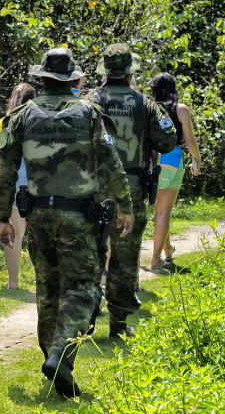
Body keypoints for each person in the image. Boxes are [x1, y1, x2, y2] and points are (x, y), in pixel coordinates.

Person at [0, 48, 134, 399]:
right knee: (84, 287)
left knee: (48, 290)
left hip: (37, 215)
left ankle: (55, 363)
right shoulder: (89, 112)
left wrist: (1, 218)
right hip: (78, 218)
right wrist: (125, 206)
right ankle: (58, 357)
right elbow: (111, 163)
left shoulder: (21, 116)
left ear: (42, 79)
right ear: (72, 80)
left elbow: (5, 172)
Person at [86, 44, 176, 339]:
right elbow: (167, 141)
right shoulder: (144, 103)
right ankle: (118, 324)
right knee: (124, 257)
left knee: (89, 255)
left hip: (92, 188)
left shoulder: (88, 101)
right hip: (133, 187)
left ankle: (84, 320)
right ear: (130, 71)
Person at [149, 73, 202, 267]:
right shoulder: (181, 110)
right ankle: (156, 259)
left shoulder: (149, 109)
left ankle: (167, 249)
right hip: (172, 159)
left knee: (157, 210)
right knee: (163, 212)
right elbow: (190, 140)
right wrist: (197, 158)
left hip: (150, 160)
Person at [0, 83, 36, 290]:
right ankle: (42, 277)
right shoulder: (38, 123)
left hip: (11, 183)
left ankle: (13, 282)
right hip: (36, 182)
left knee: (13, 233)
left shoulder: (0, 125)